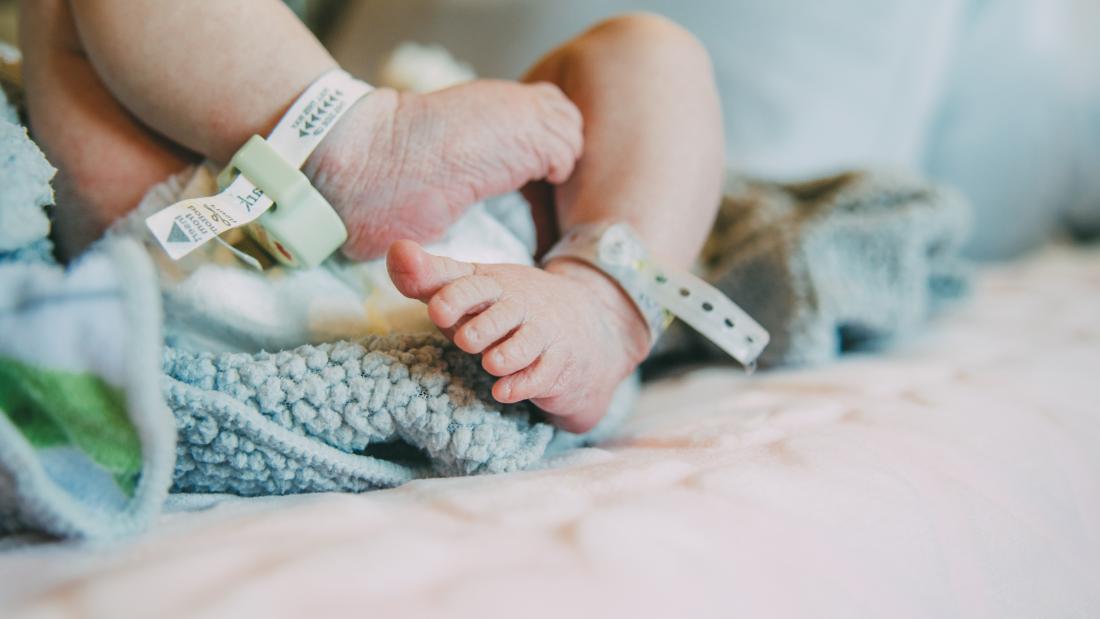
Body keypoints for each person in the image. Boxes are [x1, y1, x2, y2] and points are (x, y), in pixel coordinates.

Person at [20, 1, 724, 432]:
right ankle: (359, 144)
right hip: (214, 237)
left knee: (646, 49)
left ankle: (600, 301)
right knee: (652, 51)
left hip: (535, 273)